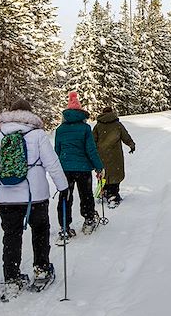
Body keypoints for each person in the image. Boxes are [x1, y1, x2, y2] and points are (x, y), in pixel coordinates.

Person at [0, 98, 68, 297]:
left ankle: (12, 277)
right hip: (34, 196)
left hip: (4, 197)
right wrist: (63, 187)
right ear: (30, 115)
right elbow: (52, 164)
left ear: (10, 113)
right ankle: (41, 269)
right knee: (40, 232)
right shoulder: (38, 135)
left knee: (11, 235)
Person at [55, 92, 105, 235]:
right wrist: (99, 166)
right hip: (83, 169)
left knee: (65, 196)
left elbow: (57, 151)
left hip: (65, 169)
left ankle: (64, 226)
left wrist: (57, 168)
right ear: (81, 113)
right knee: (86, 195)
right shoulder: (85, 128)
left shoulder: (60, 130)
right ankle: (89, 220)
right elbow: (91, 150)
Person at [93, 106, 136, 207]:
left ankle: (104, 192)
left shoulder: (98, 126)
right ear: (112, 113)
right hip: (115, 155)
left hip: (101, 155)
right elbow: (126, 136)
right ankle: (113, 195)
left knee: (103, 174)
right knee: (115, 174)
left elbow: (92, 141)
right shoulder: (117, 125)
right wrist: (131, 145)